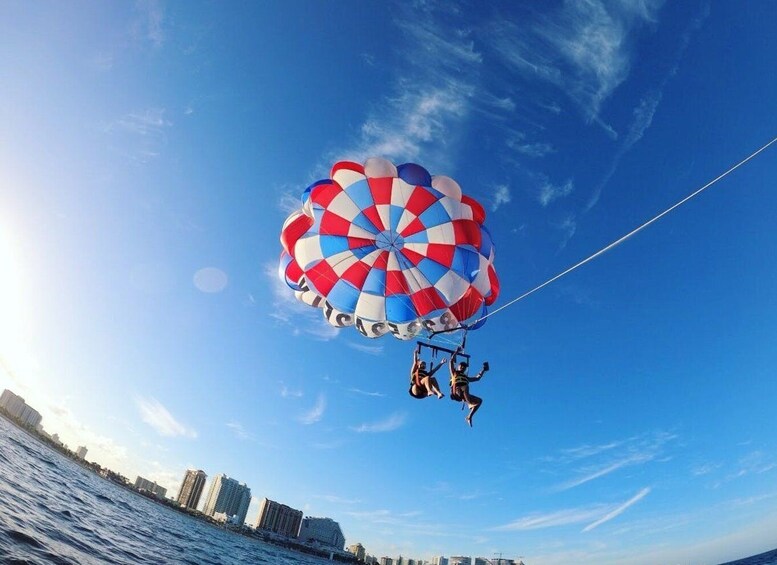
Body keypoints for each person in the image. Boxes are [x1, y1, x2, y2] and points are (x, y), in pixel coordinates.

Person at [449, 346, 489, 427]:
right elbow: (451, 361)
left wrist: (483, 370)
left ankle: (469, 417)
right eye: (461, 366)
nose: (463, 367)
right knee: (465, 386)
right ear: (458, 366)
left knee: (479, 401)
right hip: (456, 392)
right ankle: (470, 403)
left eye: (464, 367)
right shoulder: (454, 373)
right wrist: (456, 352)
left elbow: (477, 378)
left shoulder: (466, 377)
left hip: (464, 395)